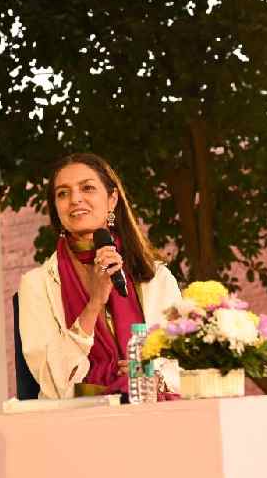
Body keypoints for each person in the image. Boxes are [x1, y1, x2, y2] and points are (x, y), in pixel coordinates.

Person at [17, 153, 181, 399]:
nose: (75, 199)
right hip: (75, 418)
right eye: (63, 193)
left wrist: (154, 377)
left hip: (153, 410)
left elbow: (182, 361)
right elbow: (51, 380)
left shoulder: (156, 277)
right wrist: (94, 303)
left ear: (112, 199)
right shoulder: (36, 284)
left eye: (87, 188)